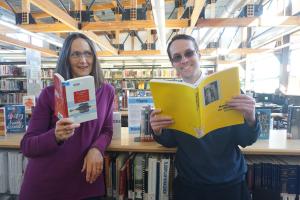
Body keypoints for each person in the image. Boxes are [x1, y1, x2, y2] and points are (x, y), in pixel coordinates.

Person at [150, 34, 261, 200]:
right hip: (189, 186)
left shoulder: (229, 88)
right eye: (177, 57)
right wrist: (157, 131)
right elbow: (170, 141)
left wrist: (251, 118)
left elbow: (246, 140)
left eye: (189, 53)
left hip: (230, 184)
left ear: (198, 55)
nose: (184, 60)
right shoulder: (169, 98)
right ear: (173, 63)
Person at [20, 33, 115, 200]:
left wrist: (97, 149)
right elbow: (27, 146)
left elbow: (107, 130)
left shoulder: (107, 91)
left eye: (88, 53)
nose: (83, 60)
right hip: (47, 185)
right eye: (75, 54)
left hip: (86, 183)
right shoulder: (49, 94)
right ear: (66, 58)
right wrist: (55, 136)